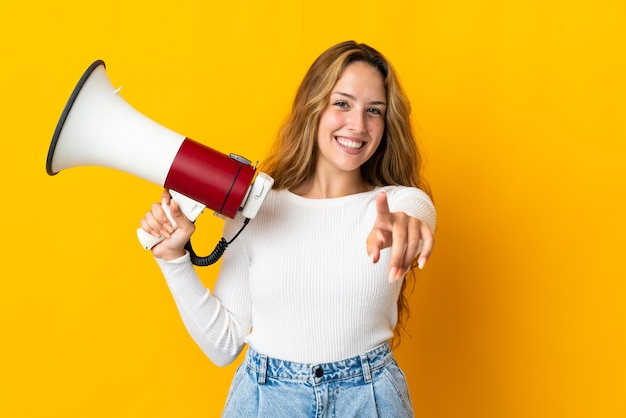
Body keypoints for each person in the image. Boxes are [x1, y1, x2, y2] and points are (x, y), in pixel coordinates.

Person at [140, 40, 436, 417]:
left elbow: (416, 213)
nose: (358, 125)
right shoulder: (255, 209)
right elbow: (223, 344)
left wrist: (405, 225)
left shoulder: (397, 204)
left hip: (368, 400)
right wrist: (172, 258)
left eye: (373, 111)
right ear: (313, 107)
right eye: (342, 103)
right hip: (267, 400)